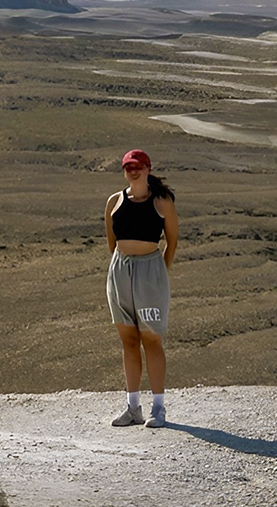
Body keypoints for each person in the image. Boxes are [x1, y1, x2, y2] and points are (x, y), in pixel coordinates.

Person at [104, 149, 179, 428]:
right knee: (128, 340)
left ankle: (158, 408)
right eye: (127, 166)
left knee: (151, 339)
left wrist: (159, 272)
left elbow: (172, 241)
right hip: (120, 272)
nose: (132, 171)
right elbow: (112, 242)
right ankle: (133, 407)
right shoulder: (115, 201)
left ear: (147, 168)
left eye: (137, 166)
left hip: (150, 271)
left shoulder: (162, 202)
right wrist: (121, 268)